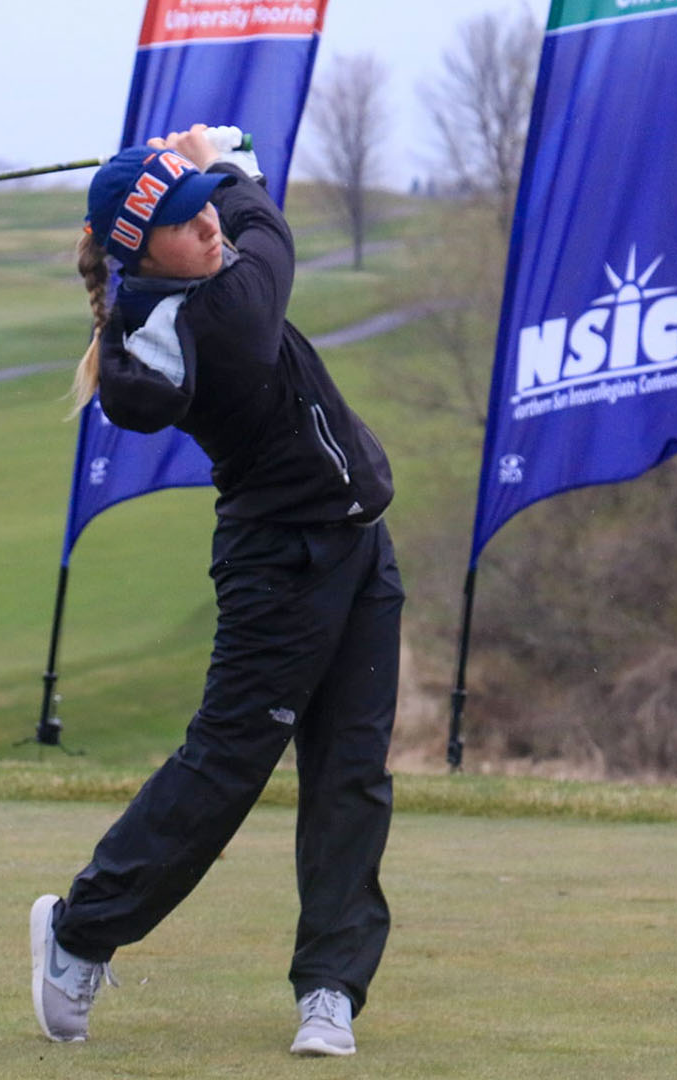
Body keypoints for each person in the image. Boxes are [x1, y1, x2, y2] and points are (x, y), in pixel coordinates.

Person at [28, 124, 403, 1058]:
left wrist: (194, 173)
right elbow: (267, 230)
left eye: (206, 219)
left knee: (351, 772)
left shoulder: (192, 286)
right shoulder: (215, 314)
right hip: (280, 565)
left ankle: (330, 989)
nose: (210, 233)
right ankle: (78, 932)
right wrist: (217, 160)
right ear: (139, 252)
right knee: (228, 766)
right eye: (187, 225)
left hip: (359, 547)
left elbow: (237, 220)